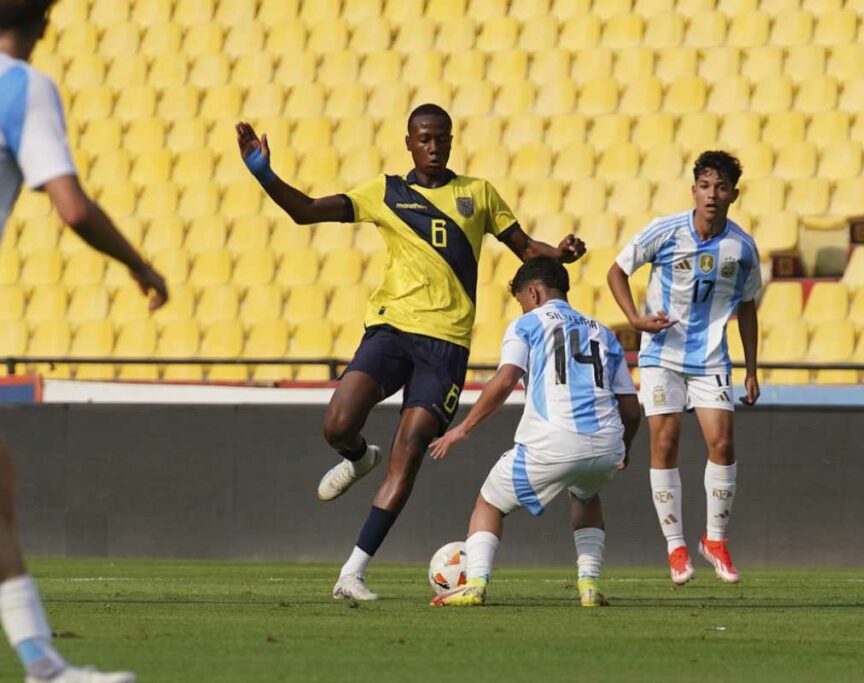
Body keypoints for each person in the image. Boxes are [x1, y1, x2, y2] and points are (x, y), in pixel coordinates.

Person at [236, 104, 586, 601]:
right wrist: (264, 173)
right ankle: (358, 458)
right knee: (336, 424)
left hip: (445, 346)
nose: (435, 147)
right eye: (425, 139)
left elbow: (525, 247)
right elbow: (305, 212)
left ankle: (352, 573)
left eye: (442, 138)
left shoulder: (478, 194)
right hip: (392, 332)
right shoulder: (385, 193)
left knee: (411, 448)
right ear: (408, 142)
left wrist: (559, 253)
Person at [0, 2, 168, 681]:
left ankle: (41, 661)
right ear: (45, 18)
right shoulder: (23, 85)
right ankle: (43, 665)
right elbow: (70, 206)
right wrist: (138, 263)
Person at [427, 257, 641, 607]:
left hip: (553, 442)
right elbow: (631, 410)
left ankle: (475, 584)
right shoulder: (604, 332)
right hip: (607, 444)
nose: (522, 306)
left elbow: (506, 378)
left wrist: (463, 428)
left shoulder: (527, 324)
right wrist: (624, 449)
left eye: (521, 300)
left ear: (534, 292)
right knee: (585, 495)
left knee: (489, 502)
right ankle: (589, 585)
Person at [606, 150, 760, 586]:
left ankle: (714, 540)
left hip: (711, 356)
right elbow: (616, 271)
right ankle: (675, 545)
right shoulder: (665, 231)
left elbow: (747, 307)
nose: (713, 195)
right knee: (666, 442)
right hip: (661, 355)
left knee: (723, 443)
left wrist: (751, 368)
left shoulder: (742, 247)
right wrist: (635, 320)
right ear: (694, 190)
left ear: (733, 194)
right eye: (705, 186)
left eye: (722, 187)